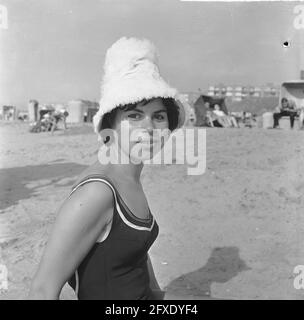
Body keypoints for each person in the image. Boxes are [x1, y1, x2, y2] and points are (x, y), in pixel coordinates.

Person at [28, 37, 186, 300]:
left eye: (158, 116)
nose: (148, 128)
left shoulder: (129, 177)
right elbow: (42, 290)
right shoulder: (97, 194)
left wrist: (158, 294)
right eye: (134, 116)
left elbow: (131, 250)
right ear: (110, 126)